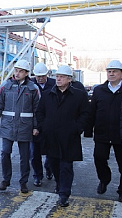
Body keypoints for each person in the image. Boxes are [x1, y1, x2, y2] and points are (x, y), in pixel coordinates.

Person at [36, 65, 89, 207]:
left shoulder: (79, 95)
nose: (58, 79)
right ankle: (60, 184)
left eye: (61, 76)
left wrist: (77, 128)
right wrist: (44, 126)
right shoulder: (48, 94)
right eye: (57, 76)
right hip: (51, 136)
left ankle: (64, 194)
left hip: (69, 137)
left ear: (69, 79)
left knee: (66, 165)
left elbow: (85, 113)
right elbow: (40, 112)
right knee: (53, 163)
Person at [0, 59, 40, 194]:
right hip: (8, 125)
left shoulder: (33, 89)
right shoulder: (6, 86)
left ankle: (23, 183)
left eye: (20, 71)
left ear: (26, 73)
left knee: (25, 156)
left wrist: (36, 127)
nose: (17, 73)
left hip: (25, 127)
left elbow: (37, 110)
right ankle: (6, 179)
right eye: (16, 70)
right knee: (5, 152)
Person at [86, 60, 122, 202]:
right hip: (102, 133)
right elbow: (91, 112)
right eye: (109, 71)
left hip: (121, 134)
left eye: (115, 71)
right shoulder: (99, 90)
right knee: (99, 158)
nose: (111, 74)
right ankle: (104, 179)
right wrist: (88, 130)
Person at [30, 62, 56, 186]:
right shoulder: (30, 84)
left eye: (42, 76)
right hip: (34, 123)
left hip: (49, 122)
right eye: (38, 76)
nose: (40, 78)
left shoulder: (54, 84)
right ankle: (37, 176)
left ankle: (49, 168)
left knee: (50, 150)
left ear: (47, 75)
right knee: (35, 153)